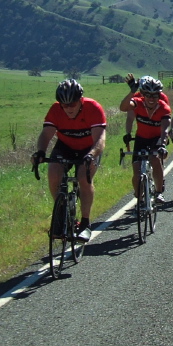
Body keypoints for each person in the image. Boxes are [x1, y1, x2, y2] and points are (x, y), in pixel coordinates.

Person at [31, 79, 106, 242]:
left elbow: (100, 138)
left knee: (83, 178)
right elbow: (46, 134)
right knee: (53, 173)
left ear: (80, 100)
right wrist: (41, 152)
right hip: (65, 146)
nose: (68, 108)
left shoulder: (93, 108)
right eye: (64, 105)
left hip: (89, 149)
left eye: (72, 104)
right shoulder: (56, 110)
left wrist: (92, 154)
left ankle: (85, 223)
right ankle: (62, 214)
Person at [120, 76, 171, 204]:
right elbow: (123, 108)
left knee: (155, 159)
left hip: (156, 138)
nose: (151, 98)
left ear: (159, 95)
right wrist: (131, 92)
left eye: (155, 95)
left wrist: (163, 145)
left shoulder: (163, 107)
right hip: (141, 139)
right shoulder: (138, 102)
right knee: (137, 173)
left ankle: (159, 193)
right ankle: (139, 197)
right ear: (143, 95)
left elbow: (165, 129)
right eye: (148, 95)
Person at [122, 74, 169, 149]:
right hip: (142, 135)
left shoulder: (162, 97)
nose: (144, 94)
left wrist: (164, 139)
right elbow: (130, 118)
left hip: (157, 134)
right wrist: (128, 133)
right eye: (142, 91)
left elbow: (166, 117)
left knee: (155, 157)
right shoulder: (136, 98)